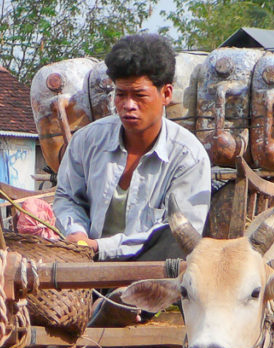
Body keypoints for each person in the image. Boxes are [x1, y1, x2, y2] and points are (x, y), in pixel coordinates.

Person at [53, 33, 211, 262]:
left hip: (151, 274)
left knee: (174, 236)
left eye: (139, 95)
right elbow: (67, 197)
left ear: (166, 94)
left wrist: (100, 246)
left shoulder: (189, 157)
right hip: (85, 264)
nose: (128, 105)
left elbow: (180, 234)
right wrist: (77, 234)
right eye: (121, 94)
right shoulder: (87, 141)